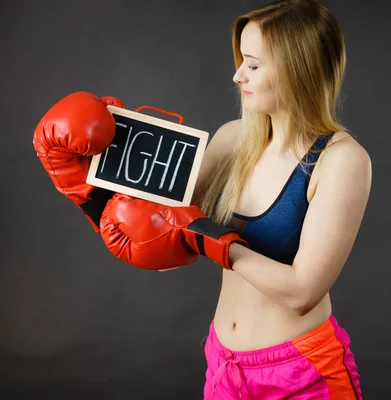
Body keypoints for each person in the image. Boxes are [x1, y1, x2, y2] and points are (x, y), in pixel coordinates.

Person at [33, 0, 371, 398]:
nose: (237, 75)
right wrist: (83, 187)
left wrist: (213, 241)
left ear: (299, 69)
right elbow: (159, 242)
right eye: (241, 61)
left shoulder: (341, 161)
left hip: (301, 373)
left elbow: (301, 293)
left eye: (253, 64)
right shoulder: (231, 140)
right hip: (224, 366)